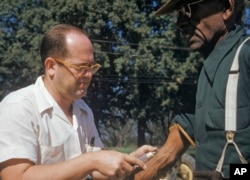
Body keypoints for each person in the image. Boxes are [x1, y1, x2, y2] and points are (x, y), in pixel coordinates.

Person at [0, 24, 157, 180]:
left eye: (91, 66)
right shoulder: (19, 107)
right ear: (51, 66)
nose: (89, 75)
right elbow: (15, 176)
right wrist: (91, 161)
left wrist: (126, 161)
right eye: (80, 67)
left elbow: (95, 169)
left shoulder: (83, 110)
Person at [134, 0, 250, 179]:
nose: (180, 22)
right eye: (177, 13)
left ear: (227, 8)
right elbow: (168, 154)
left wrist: (235, 174)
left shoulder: (246, 57)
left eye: (188, 9)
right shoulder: (204, 77)